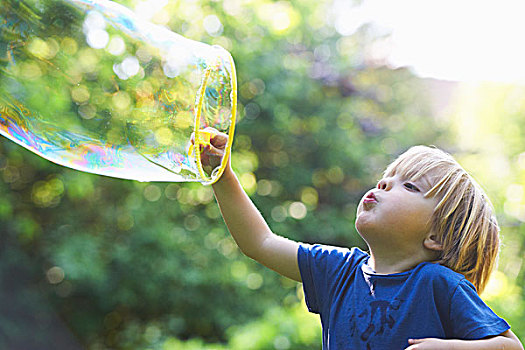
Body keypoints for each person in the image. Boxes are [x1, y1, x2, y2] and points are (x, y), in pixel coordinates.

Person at [196, 129, 524, 350]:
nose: (383, 185)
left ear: (435, 236)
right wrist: (222, 175)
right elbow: (260, 243)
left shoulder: (437, 284)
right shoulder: (339, 271)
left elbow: (511, 347)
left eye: (410, 186)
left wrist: (449, 347)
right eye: (386, 178)